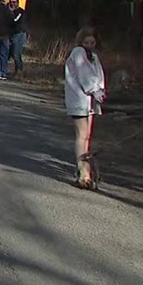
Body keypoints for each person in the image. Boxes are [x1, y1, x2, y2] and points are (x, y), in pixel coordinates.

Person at [64, 27, 106, 189]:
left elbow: (98, 76)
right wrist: (95, 91)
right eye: (86, 42)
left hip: (90, 101)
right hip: (79, 99)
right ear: (80, 42)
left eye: (92, 42)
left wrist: (100, 91)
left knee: (87, 136)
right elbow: (85, 77)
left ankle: (86, 168)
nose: (89, 45)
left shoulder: (93, 56)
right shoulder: (78, 53)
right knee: (81, 135)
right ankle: (83, 171)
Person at [8, 0, 28, 76]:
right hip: (13, 34)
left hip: (19, 34)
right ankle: (16, 70)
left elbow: (15, 21)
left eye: (14, 2)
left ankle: (20, 71)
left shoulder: (20, 12)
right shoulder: (10, 12)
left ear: (17, 3)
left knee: (16, 53)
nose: (12, 4)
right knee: (12, 53)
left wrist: (11, 13)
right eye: (11, 2)